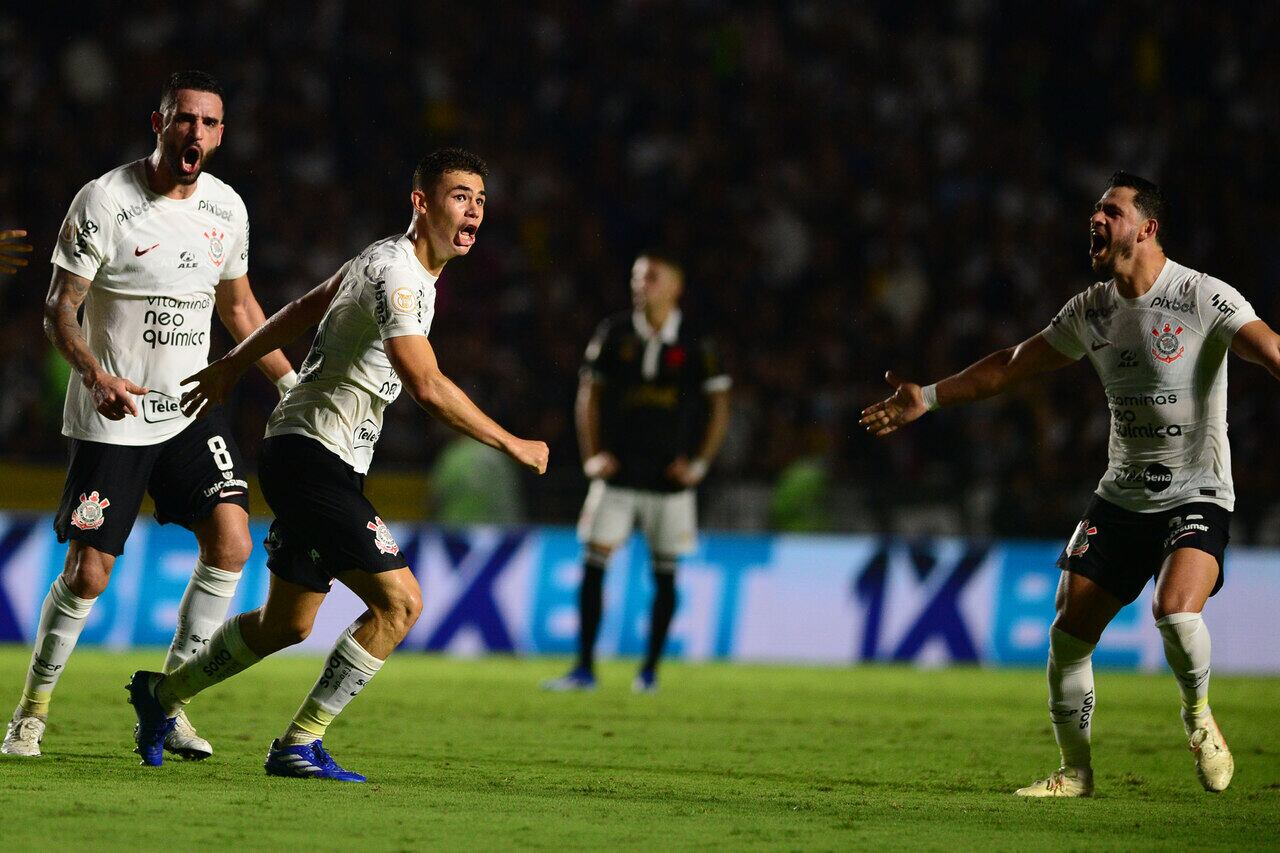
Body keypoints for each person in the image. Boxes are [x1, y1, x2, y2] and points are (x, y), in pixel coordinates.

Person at [127, 148, 549, 782]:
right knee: (400, 604)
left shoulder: (379, 261)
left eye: (480, 199)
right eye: (459, 195)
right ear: (422, 202)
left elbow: (304, 308)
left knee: (287, 623)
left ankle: (160, 697)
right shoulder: (400, 276)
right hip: (313, 458)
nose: (474, 210)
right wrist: (512, 442)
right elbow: (427, 385)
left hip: (307, 453)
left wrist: (234, 363)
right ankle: (300, 742)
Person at [860, 172, 1280, 797]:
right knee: (1067, 638)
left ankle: (1197, 717)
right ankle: (1075, 771)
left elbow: (1271, 351)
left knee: (1173, 609)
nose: (1097, 218)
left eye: (1111, 210)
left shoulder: (1201, 296)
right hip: (1120, 496)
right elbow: (1011, 364)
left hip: (1196, 490)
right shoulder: (1093, 310)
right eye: (1095, 210)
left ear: (1147, 227)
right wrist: (929, 397)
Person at [3, 71, 296, 760]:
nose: (197, 132)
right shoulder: (104, 201)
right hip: (114, 413)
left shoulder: (227, 209)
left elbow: (241, 310)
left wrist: (290, 382)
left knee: (231, 542)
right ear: (159, 123)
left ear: (222, 135)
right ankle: (31, 710)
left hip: (191, 408)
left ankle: (169, 702)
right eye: (185, 119)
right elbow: (59, 307)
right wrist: (93, 373)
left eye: (210, 123)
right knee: (88, 574)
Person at [544, 253, 730, 693]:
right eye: (636, 276)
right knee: (594, 563)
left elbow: (719, 407)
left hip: (670, 479)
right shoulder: (615, 333)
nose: (640, 284)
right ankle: (584, 667)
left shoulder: (698, 341)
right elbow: (588, 395)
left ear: (675, 287)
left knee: (665, 573)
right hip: (619, 474)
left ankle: (649, 672)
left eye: (651, 276)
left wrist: (700, 463)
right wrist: (593, 456)